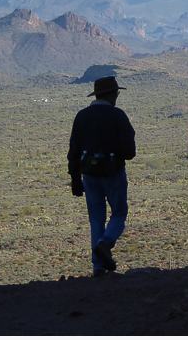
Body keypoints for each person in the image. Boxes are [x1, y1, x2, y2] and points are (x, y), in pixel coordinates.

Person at [67, 76, 136, 277]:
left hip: (89, 175)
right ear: (112, 94)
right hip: (113, 173)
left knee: (96, 219)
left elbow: (73, 151)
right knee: (119, 213)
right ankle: (105, 244)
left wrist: (75, 179)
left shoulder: (82, 116)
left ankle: (98, 267)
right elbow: (130, 152)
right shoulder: (118, 116)